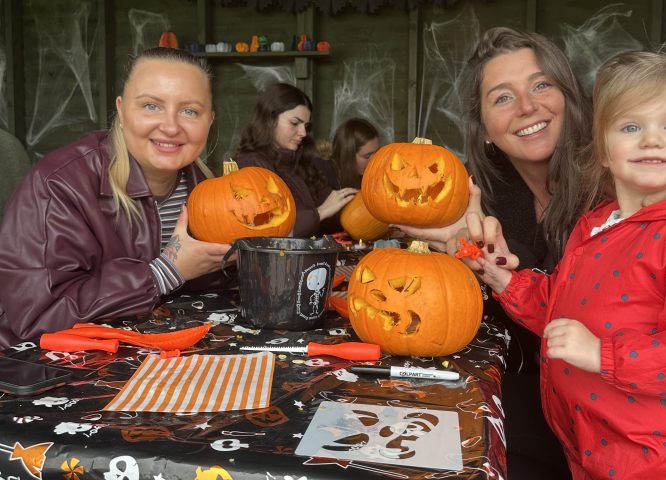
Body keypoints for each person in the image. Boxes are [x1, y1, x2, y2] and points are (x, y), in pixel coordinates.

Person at [472, 48, 666, 478]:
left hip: (664, 458)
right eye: (630, 127)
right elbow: (562, 304)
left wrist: (603, 354)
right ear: (603, 148)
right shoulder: (599, 224)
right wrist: (506, 281)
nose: (652, 139)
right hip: (594, 443)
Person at [399, 27, 592, 479]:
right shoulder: (483, 199)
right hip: (535, 399)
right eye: (503, 97)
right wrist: (459, 249)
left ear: (570, 96)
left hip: (610, 405)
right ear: (484, 127)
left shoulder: (617, 179)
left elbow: (585, 302)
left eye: (542, 85)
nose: (528, 107)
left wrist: (502, 257)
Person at [0, 47, 231, 350]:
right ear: (121, 111)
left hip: (162, 355)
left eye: (190, 111)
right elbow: (35, 316)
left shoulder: (210, 190)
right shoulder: (58, 185)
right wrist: (165, 272)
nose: (172, 126)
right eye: (151, 106)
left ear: (209, 121)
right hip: (52, 371)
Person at [232, 83, 357, 237]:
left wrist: (367, 211)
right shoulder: (250, 165)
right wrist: (319, 213)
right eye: (294, 123)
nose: (303, 133)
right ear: (270, 119)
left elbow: (333, 205)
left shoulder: (299, 160)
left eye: (306, 126)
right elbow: (267, 231)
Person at [331, 117, 381, 189]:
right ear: (348, 156)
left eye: (377, 153)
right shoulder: (327, 180)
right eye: (367, 156)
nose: (374, 161)